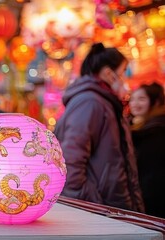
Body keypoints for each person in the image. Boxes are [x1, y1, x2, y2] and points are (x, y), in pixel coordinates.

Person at [54, 43, 144, 212]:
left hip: (110, 207)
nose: (126, 78)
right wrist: (93, 202)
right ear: (110, 74)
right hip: (101, 210)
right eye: (124, 72)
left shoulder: (104, 101)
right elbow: (70, 162)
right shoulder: (90, 102)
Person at [129, 83, 165, 217]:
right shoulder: (139, 125)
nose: (135, 103)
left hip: (154, 194)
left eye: (141, 99)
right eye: (132, 99)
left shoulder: (156, 130)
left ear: (155, 102)